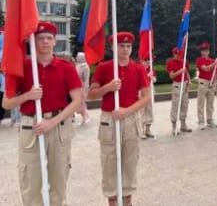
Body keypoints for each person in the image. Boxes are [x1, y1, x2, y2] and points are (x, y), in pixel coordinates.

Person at [2, 22, 82, 206]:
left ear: (55, 41)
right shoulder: (22, 67)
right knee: (30, 180)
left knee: (58, 179)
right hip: (31, 126)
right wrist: (28, 95)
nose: (45, 42)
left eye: (49, 38)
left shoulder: (66, 67)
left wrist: (52, 122)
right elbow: (6, 102)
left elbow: (77, 100)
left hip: (59, 126)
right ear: (33, 42)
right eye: (40, 38)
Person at [88, 32, 151, 206]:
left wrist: (127, 111)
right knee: (109, 160)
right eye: (121, 46)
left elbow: (146, 97)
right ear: (113, 48)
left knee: (130, 161)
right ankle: (113, 199)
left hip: (130, 118)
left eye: (128, 46)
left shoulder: (138, 68)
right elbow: (91, 94)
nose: (125, 49)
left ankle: (127, 199)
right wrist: (108, 87)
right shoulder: (104, 67)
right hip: (109, 119)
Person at [166, 47, 192, 134]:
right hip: (177, 84)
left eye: (180, 54)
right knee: (176, 105)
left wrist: (189, 81)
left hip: (185, 84)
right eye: (177, 54)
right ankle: (174, 126)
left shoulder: (184, 61)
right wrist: (181, 71)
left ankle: (183, 125)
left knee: (185, 104)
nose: (179, 55)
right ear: (173, 54)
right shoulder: (171, 63)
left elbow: (187, 72)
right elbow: (171, 76)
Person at [196, 42, 217, 129]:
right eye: (203, 50)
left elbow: (215, 73)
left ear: (209, 51)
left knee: (210, 103)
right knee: (201, 103)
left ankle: (210, 120)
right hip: (203, 82)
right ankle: (201, 121)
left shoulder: (212, 60)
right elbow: (205, 69)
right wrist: (215, 63)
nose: (205, 52)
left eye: (206, 50)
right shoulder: (200, 60)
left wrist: (214, 83)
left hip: (211, 83)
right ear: (201, 52)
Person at [139, 55, 156, 139]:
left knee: (149, 109)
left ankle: (148, 130)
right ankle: (141, 131)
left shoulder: (152, 68)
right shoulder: (139, 68)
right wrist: (147, 75)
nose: (150, 61)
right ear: (144, 60)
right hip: (141, 90)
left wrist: (152, 77)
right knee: (141, 110)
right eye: (148, 60)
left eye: (151, 60)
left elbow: (155, 79)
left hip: (149, 89)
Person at [75, 52, 91, 125]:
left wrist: (85, 90)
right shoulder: (77, 65)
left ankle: (85, 117)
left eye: (78, 57)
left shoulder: (85, 67)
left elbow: (86, 80)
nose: (77, 58)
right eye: (77, 56)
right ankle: (85, 117)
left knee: (81, 103)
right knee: (81, 103)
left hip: (82, 88)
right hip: (76, 87)